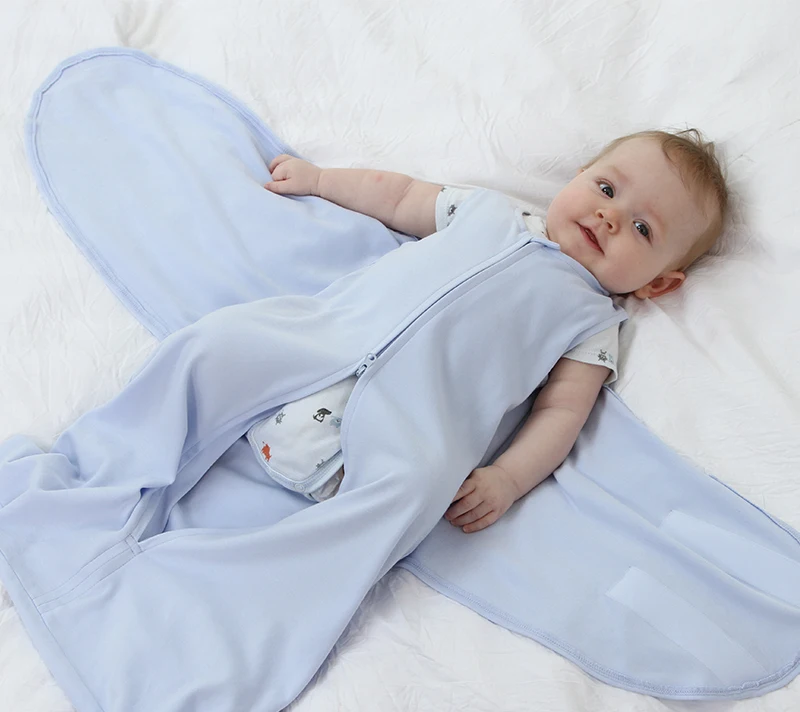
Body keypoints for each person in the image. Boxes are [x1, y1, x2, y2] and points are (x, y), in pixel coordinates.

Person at [254, 129, 728, 533]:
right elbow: (399, 196)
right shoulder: (491, 211)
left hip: (413, 416)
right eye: (606, 189)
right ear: (579, 175)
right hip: (342, 344)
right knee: (253, 337)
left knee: (420, 482)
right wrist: (320, 180)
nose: (611, 217)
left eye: (642, 228)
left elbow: (561, 414)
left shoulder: (595, 324)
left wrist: (508, 478)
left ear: (658, 284)